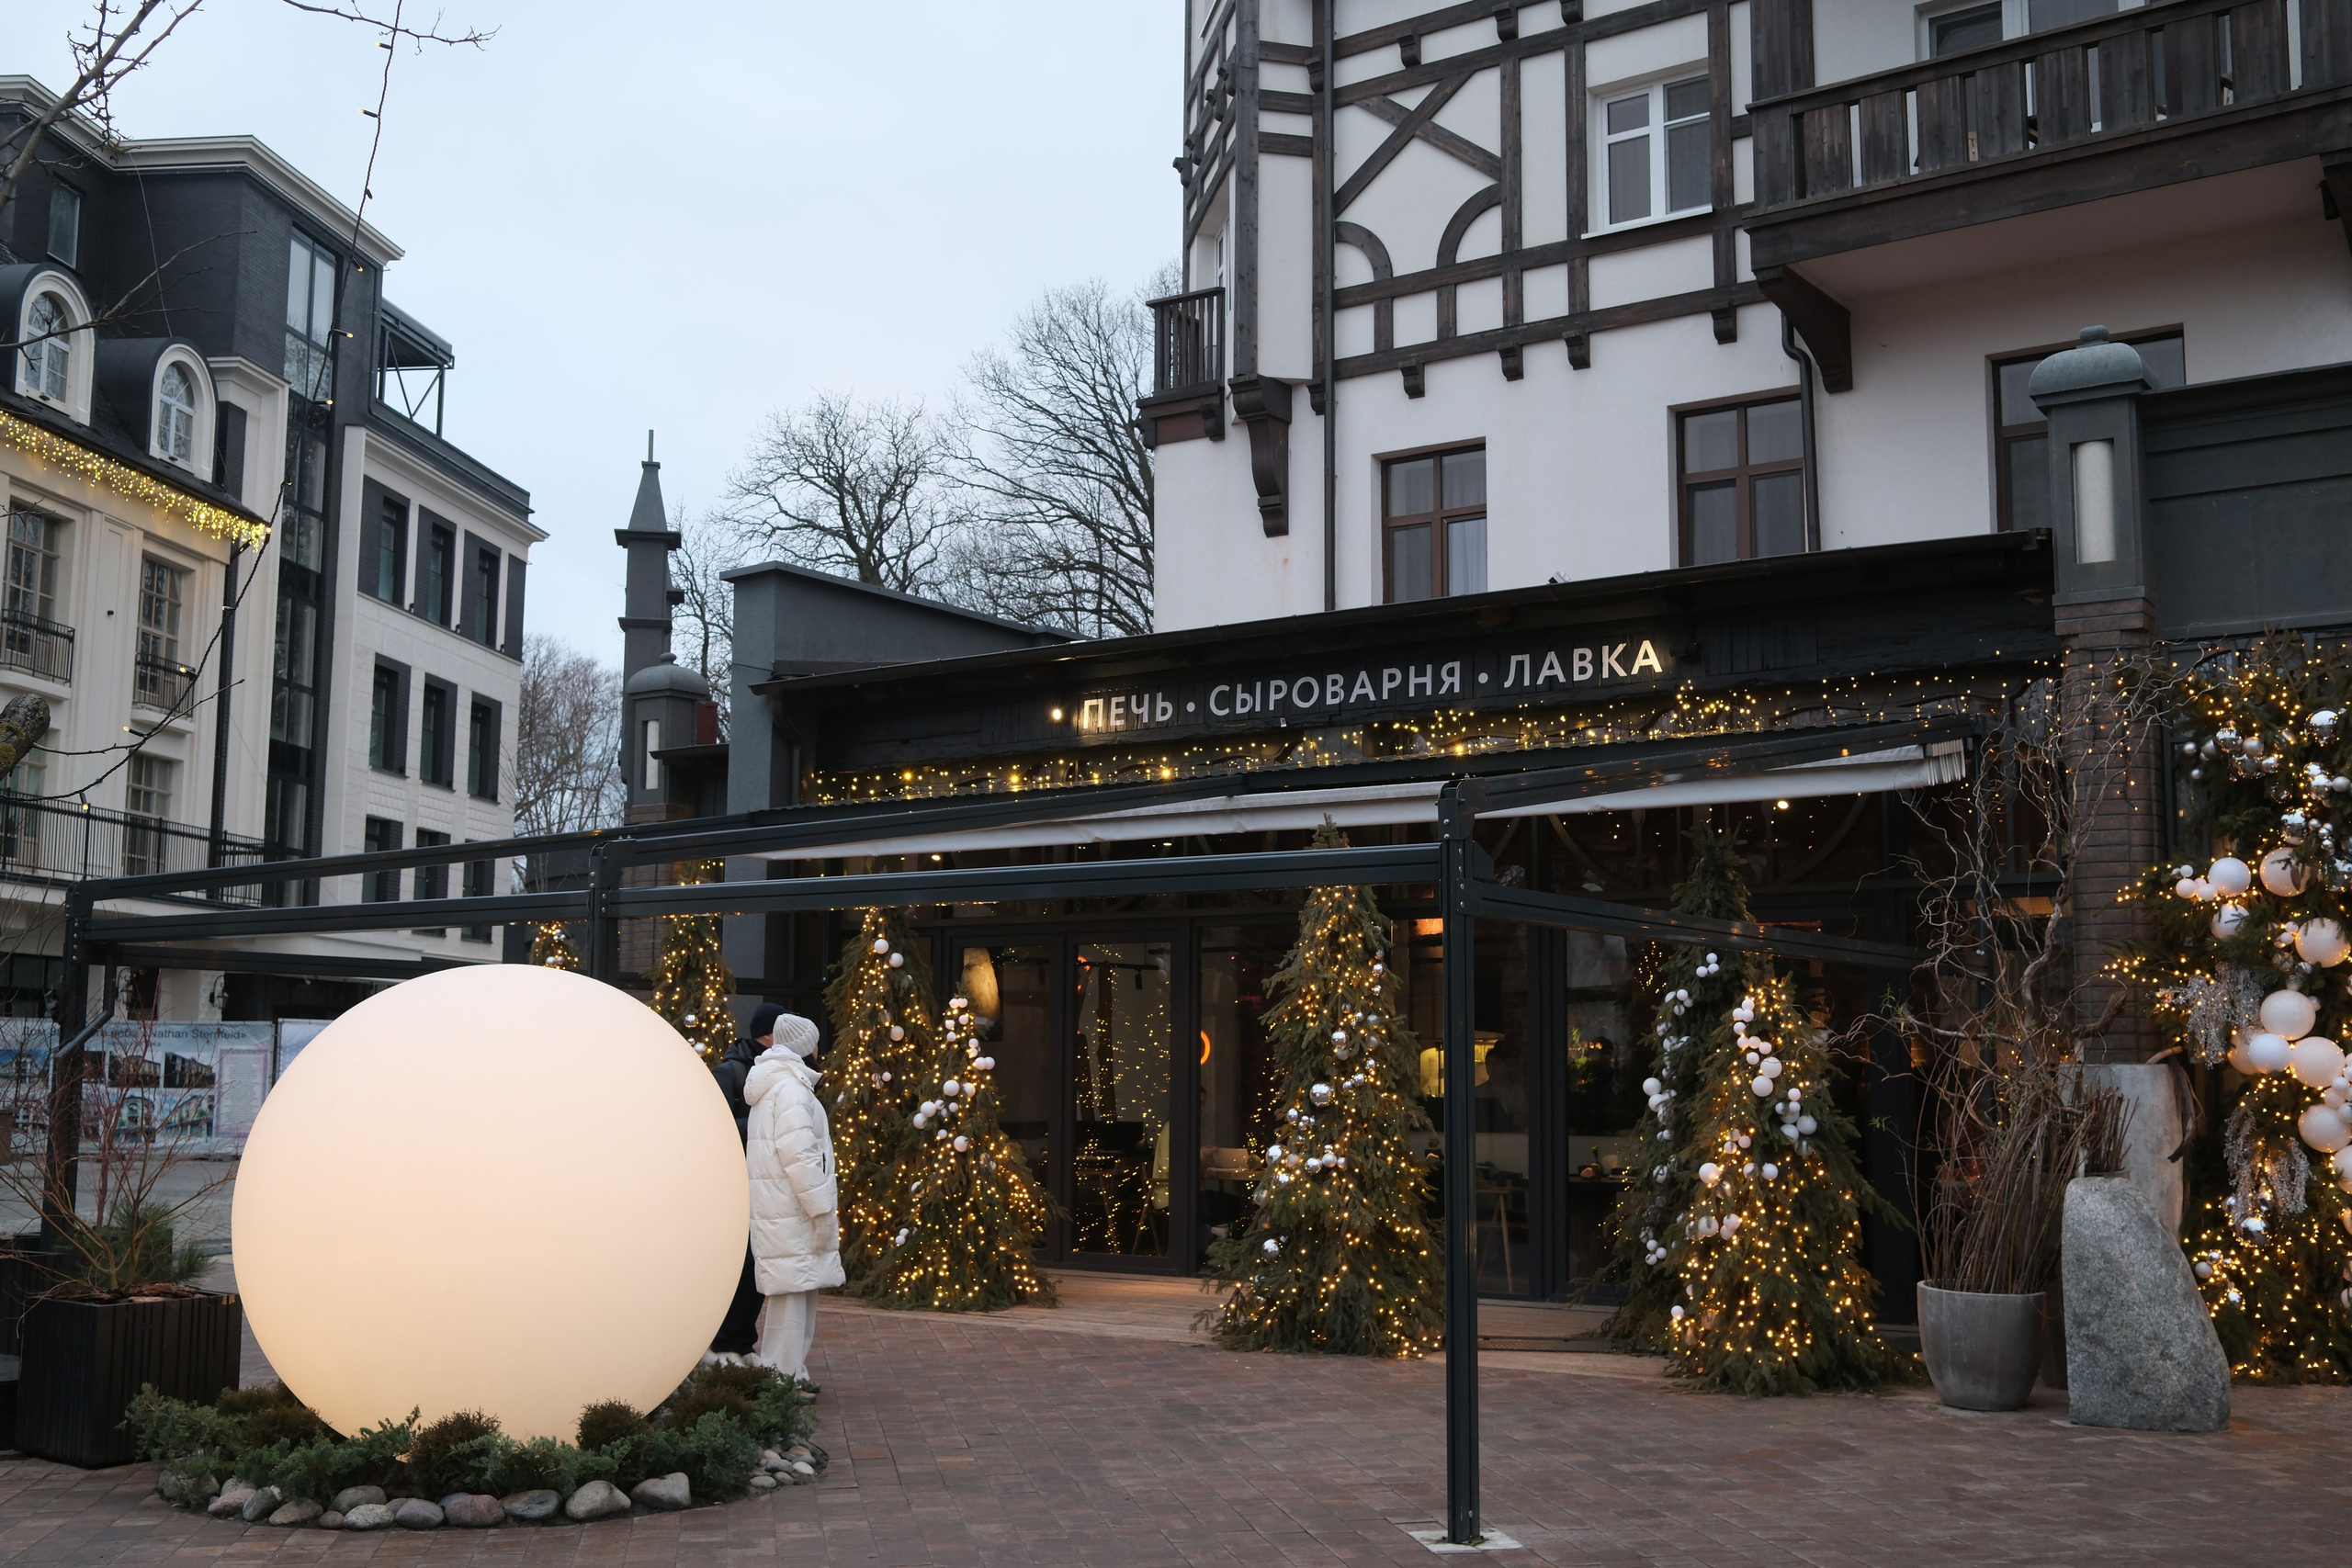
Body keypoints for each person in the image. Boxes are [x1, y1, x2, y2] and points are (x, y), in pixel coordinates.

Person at [744, 1011, 843, 1381]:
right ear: (807, 1047)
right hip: (793, 1209)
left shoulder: (780, 1085)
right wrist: (820, 1211)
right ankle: (782, 1377)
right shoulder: (790, 1090)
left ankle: (790, 1373)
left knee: (797, 1290)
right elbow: (800, 1157)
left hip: (785, 1208)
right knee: (792, 1296)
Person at [706, 1003, 780, 1359]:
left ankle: (742, 1341)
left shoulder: (778, 1072)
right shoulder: (730, 1072)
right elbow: (712, 1126)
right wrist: (761, 1130)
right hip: (736, 1185)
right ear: (767, 1035)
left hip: (764, 1182)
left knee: (758, 1264)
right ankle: (723, 1342)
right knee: (743, 1263)